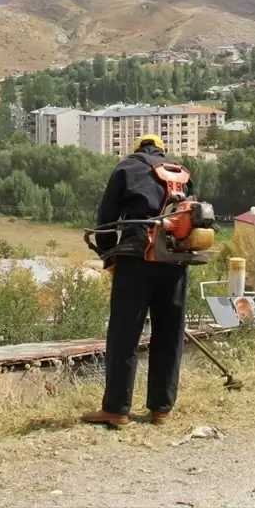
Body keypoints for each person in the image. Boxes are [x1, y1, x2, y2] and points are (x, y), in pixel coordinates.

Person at [81, 133, 191, 428]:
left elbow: (106, 219)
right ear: (161, 151)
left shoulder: (126, 168)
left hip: (137, 258)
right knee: (169, 333)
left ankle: (117, 409)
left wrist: (109, 257)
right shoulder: (182, 174)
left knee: (125, 334)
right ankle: (161, 408)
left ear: (137, 148)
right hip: (176, 261)